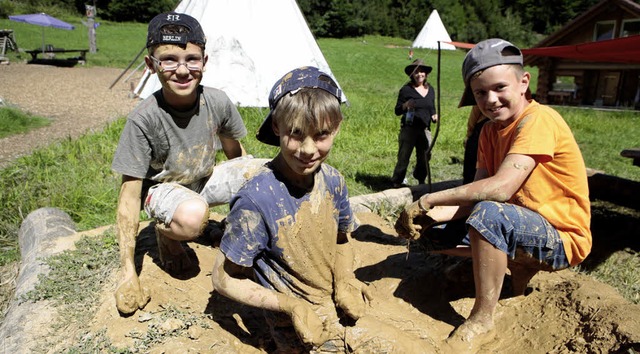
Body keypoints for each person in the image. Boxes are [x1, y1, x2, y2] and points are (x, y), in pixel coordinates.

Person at [212, 66, 429, 353]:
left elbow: (342, 239)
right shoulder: (256, 200)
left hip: (333, 302)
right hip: (299, 325)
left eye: (321, 135)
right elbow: (223, 277)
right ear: (276, 126)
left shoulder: (334, 181)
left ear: (336, 128)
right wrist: (291, 307)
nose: (308, 149)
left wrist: (344, 280)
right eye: (296, 133)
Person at [394, 38, 592, 347]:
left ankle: (483, 319)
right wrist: (426, 216)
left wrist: (428, 198)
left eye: (500, 88)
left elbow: (499, 189)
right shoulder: (488, 132)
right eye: (480, 93)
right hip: (518, 225)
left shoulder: (539, 120)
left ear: (524, 82)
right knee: (431, 232)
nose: (491, 99)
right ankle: (515, 266)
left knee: (489, 214)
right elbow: (474, 195)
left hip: (562, 237)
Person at [111, 12, 266, 315]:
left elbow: (238, 156)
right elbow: (129, 196)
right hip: (164, 190)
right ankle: (168, 236)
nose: (182, 70)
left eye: (192, 59)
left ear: (204, 62)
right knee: (194, 216)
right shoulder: (144, 119)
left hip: (203, 179)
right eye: (169, 60)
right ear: (150, 66)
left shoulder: (217, 101)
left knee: (263, 173)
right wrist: (128, 273)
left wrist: (246, 206)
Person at [391, 59, 438, 188]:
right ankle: (397, 180)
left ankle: (421, 179)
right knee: (404, 156)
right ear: (412, 75)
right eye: (416, 72)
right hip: (409, 129)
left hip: (425, 129)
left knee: (424, 158)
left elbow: (431, 106)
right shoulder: (406, 90)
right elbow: (397, 110)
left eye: (422, 72)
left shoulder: (431, 89)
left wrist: (434, 115)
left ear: (426, 74)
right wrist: (405, 105)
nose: (419, 75)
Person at [462, 105, 488, 184]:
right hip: (478, 135)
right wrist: (469, 135)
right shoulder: (480, 104)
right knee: (471, 171)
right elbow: (473, 117)